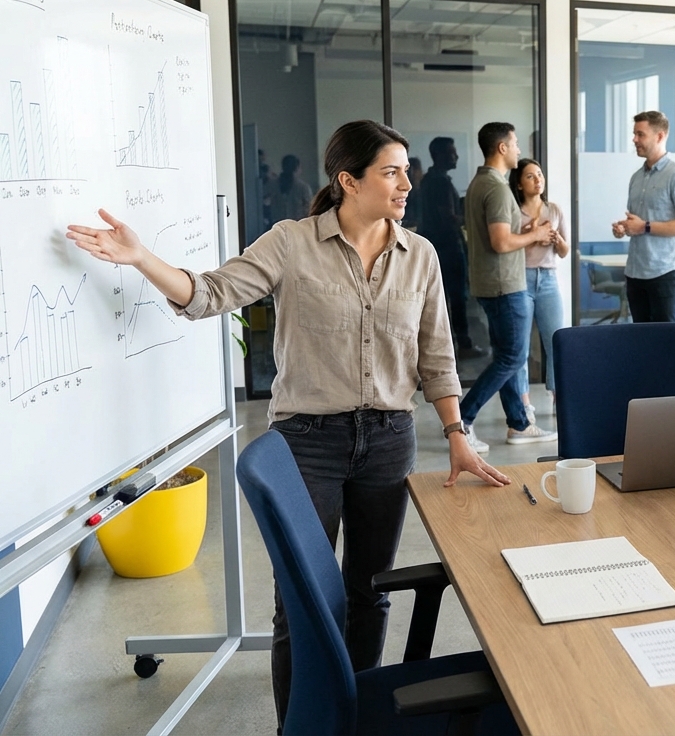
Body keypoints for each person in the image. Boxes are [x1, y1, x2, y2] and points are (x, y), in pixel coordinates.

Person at [65, 119, 511, 728]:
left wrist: (457, 433)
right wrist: (141, 256)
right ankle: (298, 725)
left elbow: (436, 356)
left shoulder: (420, 255)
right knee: (301, 605)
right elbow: (210, 294)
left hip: (387, 440)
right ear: (348, 181)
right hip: (309, 444)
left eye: (406, 170)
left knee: (369, 592)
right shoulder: (291, 243)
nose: (407, 182)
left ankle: (351, 716)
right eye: (392, 171)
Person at [459, 122, 558, 450]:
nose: (518, 149)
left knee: (507, 355)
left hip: (492, 284)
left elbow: (499, 231)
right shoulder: (499, 188)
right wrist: (537, 235)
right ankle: (463, 419)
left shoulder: (480, 183)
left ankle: (518, 423)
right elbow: (501, 243)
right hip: (505, 285)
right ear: (502, 148)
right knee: (512, 358)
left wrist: (523, 226)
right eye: (514, 143)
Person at [611, 110, 675, 323]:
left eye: (640, 134)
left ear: (659, 136)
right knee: (641, 341)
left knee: (665, 343)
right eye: (634, 134)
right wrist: (625, 228)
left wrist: (644, 227)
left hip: (664, 272)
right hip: (635, 272)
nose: (634, 140)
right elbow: (638, 222)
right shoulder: (636, 178)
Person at [509, 158, 568, 420]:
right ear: (520, 184)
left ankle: (558, 398)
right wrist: (529, 233)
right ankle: (524, 404)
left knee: (556, 340)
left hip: (548, 279)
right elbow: (507, 246)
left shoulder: (553, 210)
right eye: (530, 176)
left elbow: (565, 252)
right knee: (519, 346)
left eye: (540, 175)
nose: (537, 180)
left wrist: (557, 239)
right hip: (520, 278)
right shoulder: (514, 211)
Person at [418, 137, 482, 358]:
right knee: (457, 297)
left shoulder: (429, 180)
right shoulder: (439, 182)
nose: (456, 157)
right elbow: (448, 217)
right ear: (438, 155)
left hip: (437, 246)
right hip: (448, 246)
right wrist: (470, 218)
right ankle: (463, 344)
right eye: (451, 153)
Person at [267, 153, 312, 224]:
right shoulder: (303, 187)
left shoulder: (272, 184)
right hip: (297, 225)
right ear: (296, 168)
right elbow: (309, 208)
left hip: (277, 224)